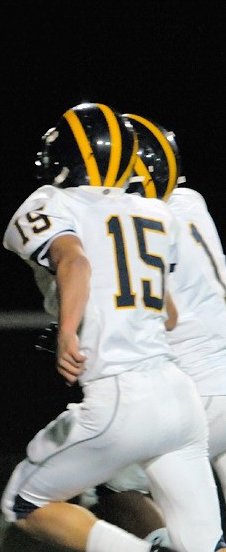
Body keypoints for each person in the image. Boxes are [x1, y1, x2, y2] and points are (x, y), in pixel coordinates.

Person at [0, 101, 225, 552]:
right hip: (180, 398)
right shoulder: (161, 213)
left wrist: (69, 331)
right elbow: (169, 312)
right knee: (202, 544)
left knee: (24, 503)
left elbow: (75, 262)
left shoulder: (51, 202)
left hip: (125, 398)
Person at [75, 113, 226, 546]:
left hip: (194, 394)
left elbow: (153, 310)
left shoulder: (134, 220)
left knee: (107, 485)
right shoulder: (191, 200)